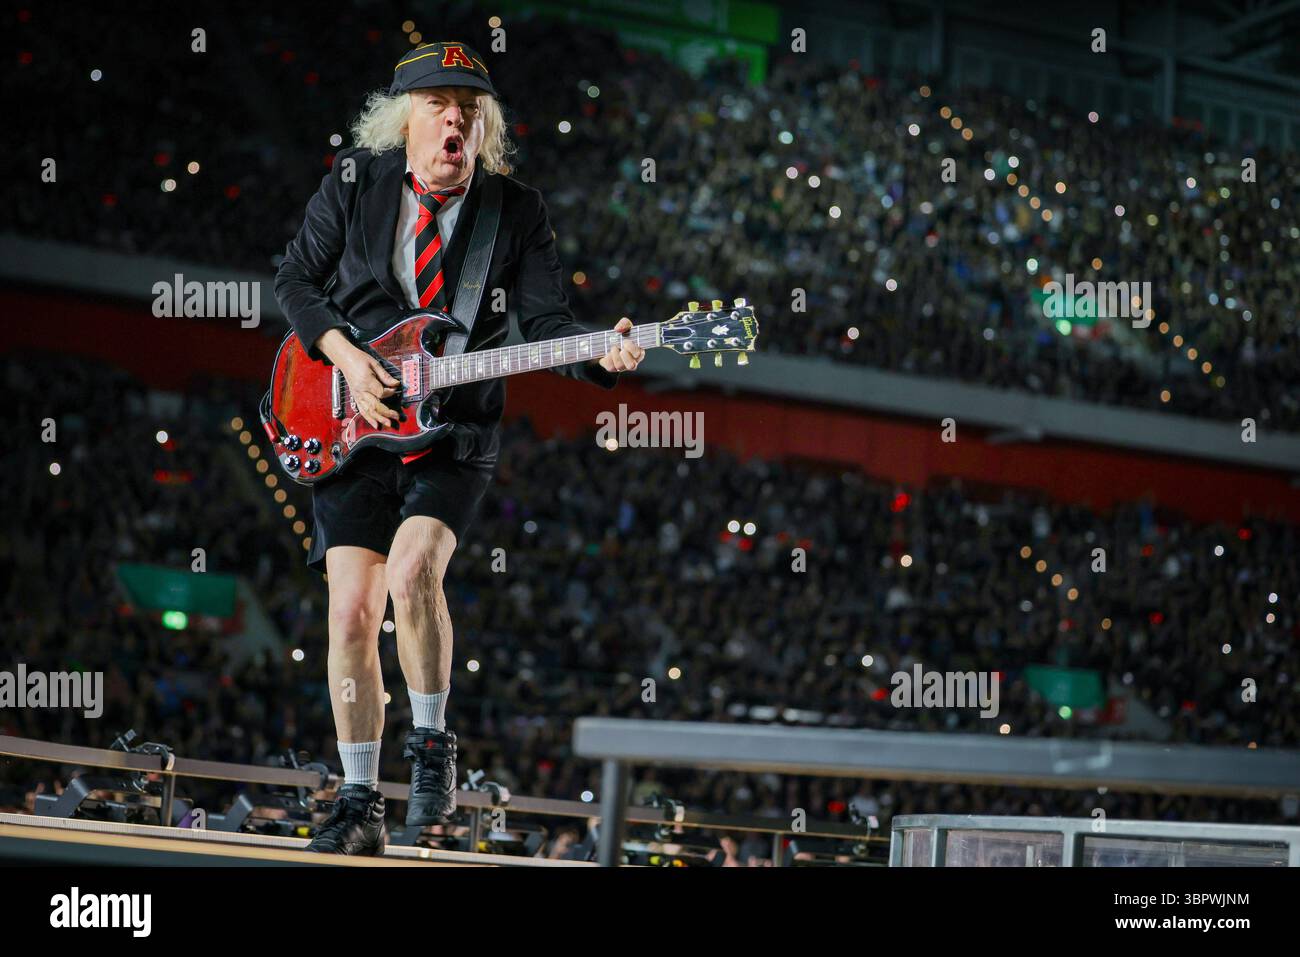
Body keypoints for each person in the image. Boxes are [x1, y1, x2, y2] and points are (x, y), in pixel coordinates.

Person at [275, 40, 643, 855]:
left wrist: (601, 351)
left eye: (470, 112)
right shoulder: (355, 182)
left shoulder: (516, 211)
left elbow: (544, 325)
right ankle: (359, 800)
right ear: (403, 120)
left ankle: (433, 744)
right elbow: (294, 280)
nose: (455, 121)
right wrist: (346, 358)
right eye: (439, 106)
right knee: (350, 611)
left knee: (413, 571)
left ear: (485, 128)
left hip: (456, 430)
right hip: (352, 422)